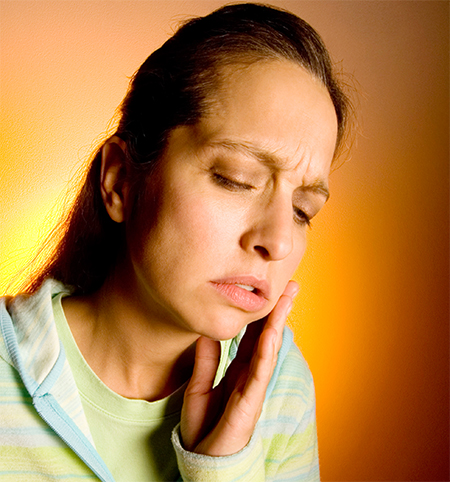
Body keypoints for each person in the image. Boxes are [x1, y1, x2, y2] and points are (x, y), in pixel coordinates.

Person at [0, 3, 350, 481]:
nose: (278, 241)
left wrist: (223, 468)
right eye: (235, 179)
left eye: (302, 211)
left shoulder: (279, 385)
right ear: (121, 181)